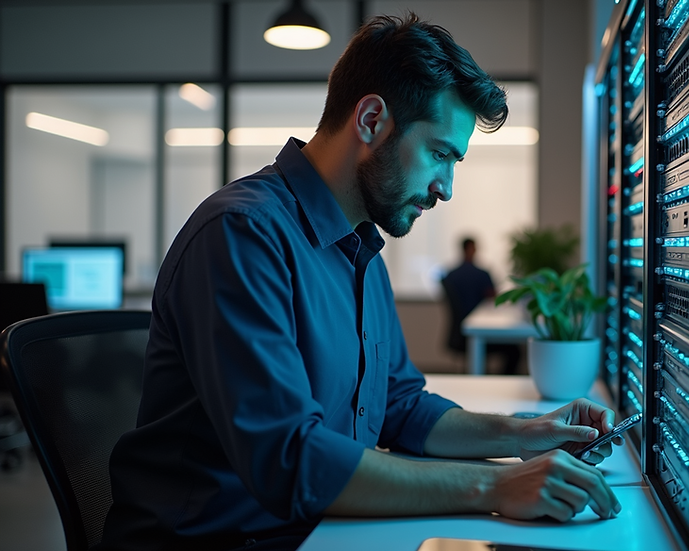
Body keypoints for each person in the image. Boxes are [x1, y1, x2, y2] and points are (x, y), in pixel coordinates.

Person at [98, 13, 621, 551]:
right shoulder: (241, 235)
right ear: (371, 120)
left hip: (321, 532)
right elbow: (291, 461)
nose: (446, 187)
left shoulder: (362, 249)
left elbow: (400, 407)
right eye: (440, 153)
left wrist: (526, 435)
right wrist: (495, 484)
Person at [442, 237, 521, 374]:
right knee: (515, 351)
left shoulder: (450, 275)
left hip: (458, 335)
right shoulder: (481, 274)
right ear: (472, 249)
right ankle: (502, 384)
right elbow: (492, 297)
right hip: (474, 332)